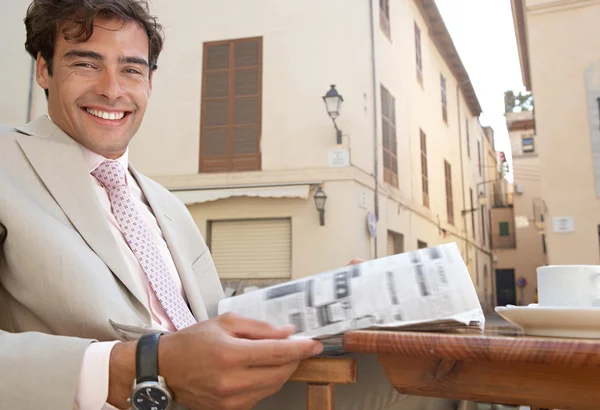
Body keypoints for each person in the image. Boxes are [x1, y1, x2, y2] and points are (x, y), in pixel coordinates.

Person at [0, 1, 464, 409]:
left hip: (233, 396)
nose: (112, 90)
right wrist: (135, 367)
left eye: (131, 69)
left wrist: (334, 299)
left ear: (150, 82)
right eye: (86, 64)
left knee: (439, 370)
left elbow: (211, 315)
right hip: (133, 400)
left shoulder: (164, 205)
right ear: (43, 68)